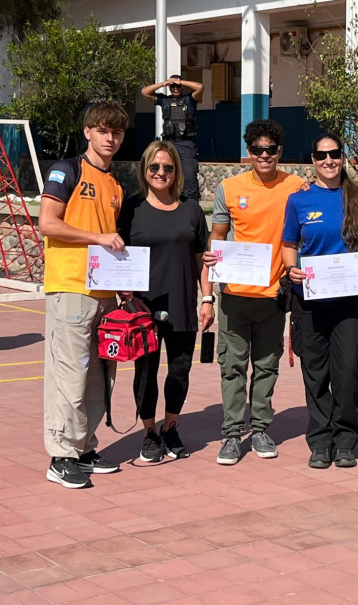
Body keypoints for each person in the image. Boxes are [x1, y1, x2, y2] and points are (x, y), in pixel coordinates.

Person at [39, 101, 132, 489]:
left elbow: (112, 243)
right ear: (88, 132)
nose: (110, 138)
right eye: (103, 130)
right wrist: (97, 237)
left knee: (99, 376)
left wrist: (125, 285)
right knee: (70, 373)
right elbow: (48, 223)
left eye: (117, 132)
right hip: (71, 287)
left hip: (105, 293)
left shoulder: (115, 185)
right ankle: (61, 455)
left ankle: (83, 447)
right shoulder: (67, 170)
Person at [204, 119, 303, 465]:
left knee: (266, 366)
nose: (264, 155)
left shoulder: (296, 187)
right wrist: (208, 282)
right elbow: (217, 236)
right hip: (233, 295)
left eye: (271, 149)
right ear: (249, 152)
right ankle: (232, 434)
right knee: (232, 367)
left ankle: (260, 428)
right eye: (258, 149)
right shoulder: (229, 188)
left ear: (280, 151)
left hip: (273, 295)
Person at [282, 132, 358, 469]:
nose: (329, 161)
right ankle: (321, 442)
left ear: (343, 157)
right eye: (322, 155)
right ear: (313, 160)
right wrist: (291, 269)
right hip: (309, 301)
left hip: (349, 301)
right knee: (315, 373)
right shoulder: (299, 200)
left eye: (335, 154)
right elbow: (289, 244)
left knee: (347, 371)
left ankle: (345, 441)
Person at [117, 141, 213, 463]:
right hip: (143, 308)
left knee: (180, 372)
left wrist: (207, 299)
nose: (161, 173)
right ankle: (149, 432)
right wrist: (126, 296)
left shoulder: (191, 209)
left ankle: (170, 427)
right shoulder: (131, 208)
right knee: (145, 372)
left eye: (168, 167)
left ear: (176, 172)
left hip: (183, 304)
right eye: (155, 167)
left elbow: (201, 259)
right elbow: (116, 256)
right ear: (145, 169)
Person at [141, 74, 204, 203]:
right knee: (168, 174)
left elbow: (200, 87)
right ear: (169, 87)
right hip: (169, 144)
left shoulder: (189, 99)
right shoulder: (164, 100)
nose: (175, 88)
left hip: (186, 144)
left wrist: (181, 81)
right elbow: (144, 92)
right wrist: (163, 83)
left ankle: (193, 208)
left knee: (190, 177)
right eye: (173, 86)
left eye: (178, 86)